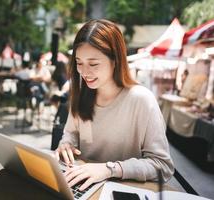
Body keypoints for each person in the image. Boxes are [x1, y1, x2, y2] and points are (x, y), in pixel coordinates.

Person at [55, 19, 174, 191]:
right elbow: (71, 133)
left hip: (122, 190)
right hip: (82, 186)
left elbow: (162, 166)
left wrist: (110, 169)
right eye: (79, 63)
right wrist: (66, 144)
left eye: (93, 64)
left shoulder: (142, 100)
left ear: (116, 60)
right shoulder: (81, 92)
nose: (84, 72)